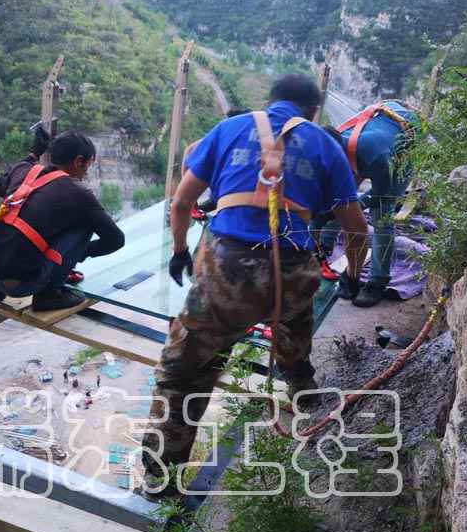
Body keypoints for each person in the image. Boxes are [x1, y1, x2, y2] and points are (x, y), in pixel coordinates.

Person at [140, 73, 368, 498]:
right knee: (294, 320)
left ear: (270, 100)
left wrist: (180, 251)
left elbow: (182, 203)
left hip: (226, 273)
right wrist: (353, 277)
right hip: (291, 273)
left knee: (182, 374)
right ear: (313, 110)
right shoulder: (324, 144)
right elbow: (355, 229)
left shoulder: (229, 129)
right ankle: (299, 382)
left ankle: (160, 478)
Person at [0, 128, 125, 312]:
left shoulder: (24, 170)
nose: (87, 172)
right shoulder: (79, 193)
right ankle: (50, 293)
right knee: (85, 225)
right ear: (78, 161)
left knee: (11, 207)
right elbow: (116, 240)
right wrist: (79, 253)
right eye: (88, 164)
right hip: (20, 286)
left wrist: (33, 154)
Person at [320, 100, 421, 308]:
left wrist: (339, 212)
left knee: (381, 213)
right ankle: (324, 246)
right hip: (380, 125)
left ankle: (378, 282)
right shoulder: (327, 146)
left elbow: (379, 194)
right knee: (337, 200)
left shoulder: (375, 155)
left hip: (406, 141)